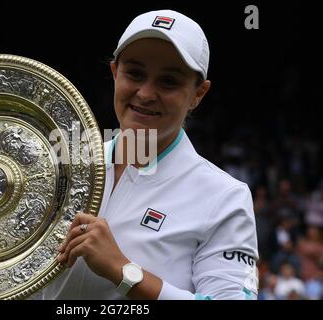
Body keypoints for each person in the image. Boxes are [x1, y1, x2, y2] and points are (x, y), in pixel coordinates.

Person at [42, 9, 259, 300]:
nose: (145, 93)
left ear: (198, 94)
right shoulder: (59, 170)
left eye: (169, 81)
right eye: (135, 73)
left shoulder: (225, 198)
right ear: (114, 72)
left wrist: (123, 271)